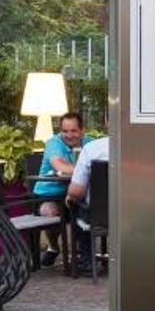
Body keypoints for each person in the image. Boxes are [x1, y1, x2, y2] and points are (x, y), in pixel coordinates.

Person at [32, 112, 82, 265]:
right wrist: (84, 168)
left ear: (82, 130)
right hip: (50, 193)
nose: (69, 135)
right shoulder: (54, 143)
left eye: (73, 131)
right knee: (49, 212)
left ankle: (80, 253)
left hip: (78, 192)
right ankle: (53, 247)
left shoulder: (89, 142)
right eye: (65, 131)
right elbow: (59, 165)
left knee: (88, 208)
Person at [66, 128, 109, 269]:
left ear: (107, 121)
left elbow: (76, 192)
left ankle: (87, 261)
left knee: (74, 203)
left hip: (99, 216)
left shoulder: (92, 149)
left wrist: (70, 196)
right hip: (134, 215)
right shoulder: (143, 147)